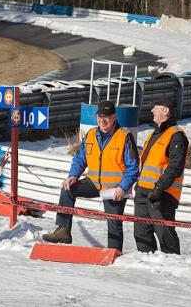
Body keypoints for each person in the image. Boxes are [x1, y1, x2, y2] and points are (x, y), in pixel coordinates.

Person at [42, 101, 139, 252]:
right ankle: (63, 230)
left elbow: (133, 167)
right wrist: (73, 176)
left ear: (114, 117)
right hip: (93, 183)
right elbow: (81, 158)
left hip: (114, 188)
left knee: (114, 224)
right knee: (68, 189)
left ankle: (114, 253)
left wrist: (123, 187)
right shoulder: (92, 134)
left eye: (106, 117)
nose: (102, 120)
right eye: (99, 117)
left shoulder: (124, 136)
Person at [134, 100, 188, 254]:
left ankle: (172, 263)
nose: (152, 110)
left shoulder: (177, 135)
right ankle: (147, 263)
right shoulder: (154, 134)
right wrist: (139, 184)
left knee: (165, 234)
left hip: (162, 194)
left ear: (165, 111)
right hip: (143, 192)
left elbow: (175, 167)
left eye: (155, 107)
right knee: (141, 233)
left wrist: (159, 188)